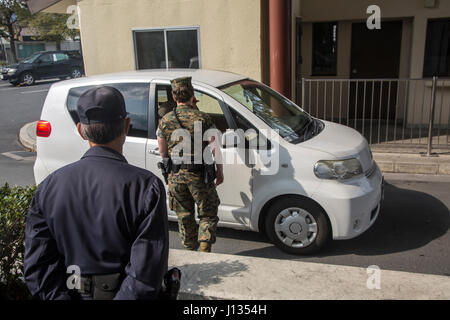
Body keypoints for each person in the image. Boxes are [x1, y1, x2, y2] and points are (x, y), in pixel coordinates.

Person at [24, 86, 169, 300]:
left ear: (82, 130)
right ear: (127, 126)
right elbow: (146, 274)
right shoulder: (147, 187)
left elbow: (38, 269)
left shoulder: (48, 188)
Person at [157, 77, 223, 253]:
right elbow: (215, 147)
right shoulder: (203, 117)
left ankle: (190, 252)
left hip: (176, 177)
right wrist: (220, 171)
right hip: (199, 176)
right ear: (192, 94)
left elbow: (163, 153)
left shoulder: (165, 120)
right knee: (207, 214)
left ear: (173, 95)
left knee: (184, 216)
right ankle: (204, 249)